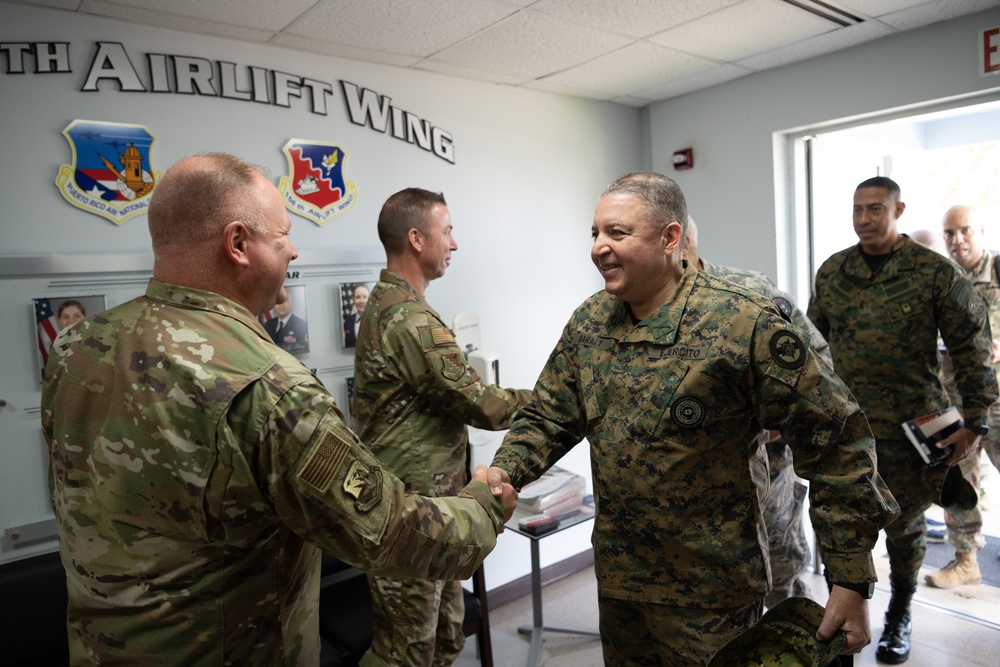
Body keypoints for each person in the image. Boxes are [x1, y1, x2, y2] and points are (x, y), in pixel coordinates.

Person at [40, 153, 518, 667]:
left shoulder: (77, 347)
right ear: (238, 244)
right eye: (283, 235)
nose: (293, 249)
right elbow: (388, 532)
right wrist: (485, 505)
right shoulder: (267, 385)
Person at [486, 171, 898, 665]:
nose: (598, 247)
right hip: (622, 581)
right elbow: (550, 413)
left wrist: (850, 579)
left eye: (617, 233)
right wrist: (505, 468)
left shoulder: (743, 321)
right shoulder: (590, 323)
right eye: (594, 233)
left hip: (712, 592)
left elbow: (837, 444)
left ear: (670, 238)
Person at [808, 177, 997, 664]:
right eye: (857, 209)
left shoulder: (933, 272)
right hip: (847, 428)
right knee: (842, 527)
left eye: (875, 209)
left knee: (906, 527)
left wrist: (976, 420)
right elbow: (812, 349)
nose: (864, 218)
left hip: (911, 428)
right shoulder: (833, 272)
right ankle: (844, 622)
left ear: (898, 210)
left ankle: (900, 614)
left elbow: (972, 346)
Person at [353, 187, 533, 667]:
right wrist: (552, 401)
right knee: (405, 651)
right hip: (409, 513)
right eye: (447, 231)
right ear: (416, 238)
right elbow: (480, 403)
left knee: (447, 634)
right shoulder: (408, 318)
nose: (454, 244)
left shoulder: (393, 304)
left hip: (435, 507)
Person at [683, 216, 827, 609]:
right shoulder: (634, 309)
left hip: (764, 470)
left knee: (781, 580)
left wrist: (779, 426)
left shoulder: (750, 292)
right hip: (687, 492)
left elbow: (815, 364)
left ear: (683, 243)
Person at [924, 205, 1000, 588]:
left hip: (998, 402)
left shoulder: (998, 271)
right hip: (956, 404)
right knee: (958, 482)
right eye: (950, 233)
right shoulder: (943, 281)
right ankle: (966, 559)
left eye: (965, 230)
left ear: (981, 230)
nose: (957, 240)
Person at [264, 288, 309, 352]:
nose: (281, 304)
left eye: (286, 300)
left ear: (292, 303)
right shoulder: (268, 325)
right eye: (277, 300)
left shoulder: (301, 325)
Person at [343, 282, 370, 347]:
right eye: (358, 297)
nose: (361, 301)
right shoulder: (348, 321)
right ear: (353, 300)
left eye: (365, 297)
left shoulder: (378, 320)